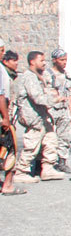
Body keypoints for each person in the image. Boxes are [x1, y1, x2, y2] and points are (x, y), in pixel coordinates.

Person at [13, 51, 64, 183]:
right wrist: (55, 99)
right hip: (33, 118)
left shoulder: (38, 76)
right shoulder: (29, 77)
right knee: (32, 144)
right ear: (32, 62)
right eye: (41, 60)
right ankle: (21, 171)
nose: (44, 63)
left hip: (42, 117)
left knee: (51, 139)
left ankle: (48, 168)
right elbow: (37, 98)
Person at [44, 48, 71, 173]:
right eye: (62, 60)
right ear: (54, 60)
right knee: (48, 137)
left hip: (63, 110)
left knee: (64, 137)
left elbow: (69, 93)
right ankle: (44, 163)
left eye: (65, 60)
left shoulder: (65, 74)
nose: (64, 62)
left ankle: (62, 162)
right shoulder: (47, 74)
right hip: (51, 110)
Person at [0, 40, 25, 194]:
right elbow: (1, 96)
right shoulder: (1, 71)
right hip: (3, 116)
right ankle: (8, 185)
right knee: (10, 148)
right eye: (1, 50)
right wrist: (6, 118)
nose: (2, 53)